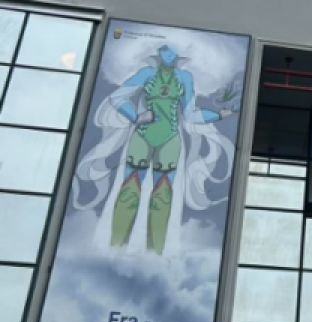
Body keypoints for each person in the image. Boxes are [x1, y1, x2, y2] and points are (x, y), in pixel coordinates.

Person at [74, 44, 238, 255]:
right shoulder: (146, 73)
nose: (168, 54)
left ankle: (154, 255)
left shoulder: (185, 78)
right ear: (158, 54)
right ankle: (114, 250)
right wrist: (136, 117)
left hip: (170, 140)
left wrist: (219, 115)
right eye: (164, 50)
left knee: (162, 196)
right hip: (142, 137)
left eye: (172, 51)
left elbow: (190, 114)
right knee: (129, 192)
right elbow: (117, 97)